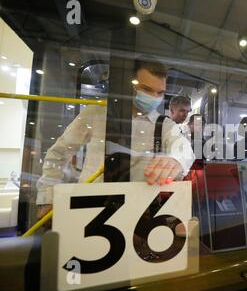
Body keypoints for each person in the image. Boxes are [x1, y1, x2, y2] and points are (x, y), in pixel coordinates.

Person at [36, 60, 195, 223]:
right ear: (130, 85)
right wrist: (47, 197)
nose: (153, 97)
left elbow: (184, 148)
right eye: (146, 89)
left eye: (160, 93)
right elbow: (59, 152)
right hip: (90, 205)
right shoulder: (96, 113)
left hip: (137, 210)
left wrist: (176, 159)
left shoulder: (164, 125)